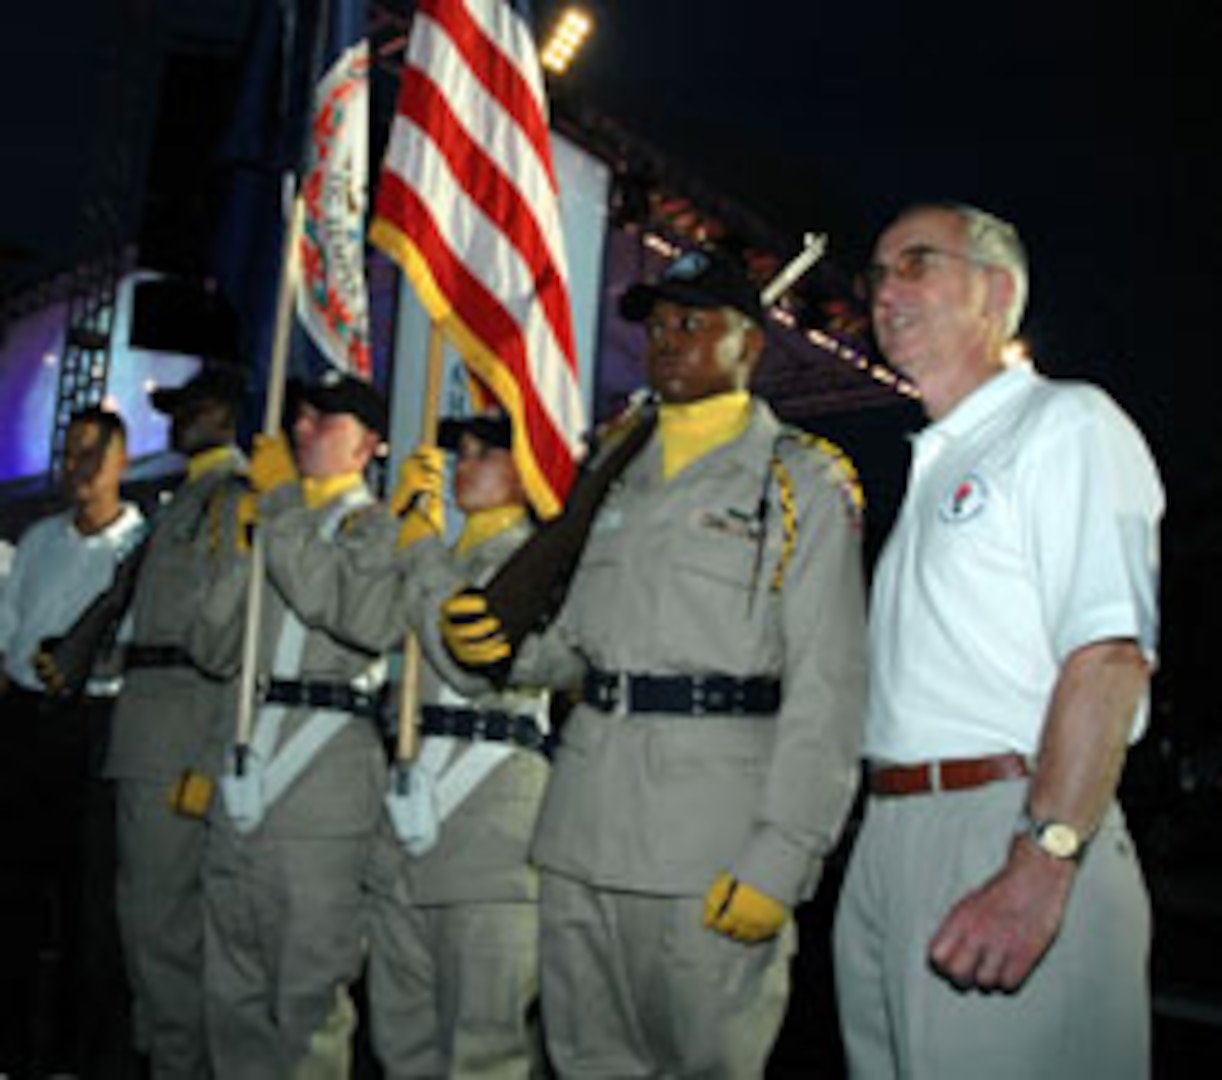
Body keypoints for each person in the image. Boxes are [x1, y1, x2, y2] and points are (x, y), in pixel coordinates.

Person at [444, 249, 869, 1077]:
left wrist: (784, 855)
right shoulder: (614, 474)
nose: (665, 340)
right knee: (584, 1061)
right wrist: (501, 650)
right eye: (657, 324)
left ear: (748, 347)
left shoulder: (800, 480)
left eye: (691, 323)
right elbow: (580, 647)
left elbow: (831, 682)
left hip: (708, 839)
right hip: (583, 828)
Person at [832, 202, 1164, 1079]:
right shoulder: (941, 463)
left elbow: (1108, 659)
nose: (886, 289)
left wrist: (1042, 862)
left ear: (999, 290)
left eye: (918, 262)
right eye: (878, 272)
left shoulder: (1065, 424)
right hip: (893, 834)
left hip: (1006, 824)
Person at [187, 371, 396, 1079]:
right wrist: (244, 552)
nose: (303, 429)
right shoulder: (275, 522)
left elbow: (349, 618)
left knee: (308, 1000)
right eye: (302, 417)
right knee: (232, 993)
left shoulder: (380, 529)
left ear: (367, 445)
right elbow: (210, 648)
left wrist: (281, 511)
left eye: (326, 421)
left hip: (324, 786)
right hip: (244, 767)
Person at [360, 410, 550, 1079]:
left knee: (481, 1048)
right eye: (461, 452)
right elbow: (361, 622)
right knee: (402, 1038)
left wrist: (420, 552)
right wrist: (392, 531)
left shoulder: (537, 563)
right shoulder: (443, 553)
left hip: (489, 826)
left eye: (485, 453)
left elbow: (465, 659)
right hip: (410, 817)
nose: (464, 465)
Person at [100, 360, 249, 1079]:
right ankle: (165, 1055)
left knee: (165, 929)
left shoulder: (231, 502)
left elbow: (232, 644)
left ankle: (179, 1065)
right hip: (147, 729)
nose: (175, 419)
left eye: (189, 407)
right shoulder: (185, 500)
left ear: (223, 414)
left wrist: (209, 754)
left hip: (180, 735)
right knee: (146, 923)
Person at [0, 406, 145, 1077]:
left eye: (93, 453)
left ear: (123, 461)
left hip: (99, 732)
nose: (78, 467)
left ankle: (77, 1056)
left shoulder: (144, 550)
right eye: (70, 453)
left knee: (90, 908)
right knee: (17, 900)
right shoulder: (37, 543)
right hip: (30, 725)